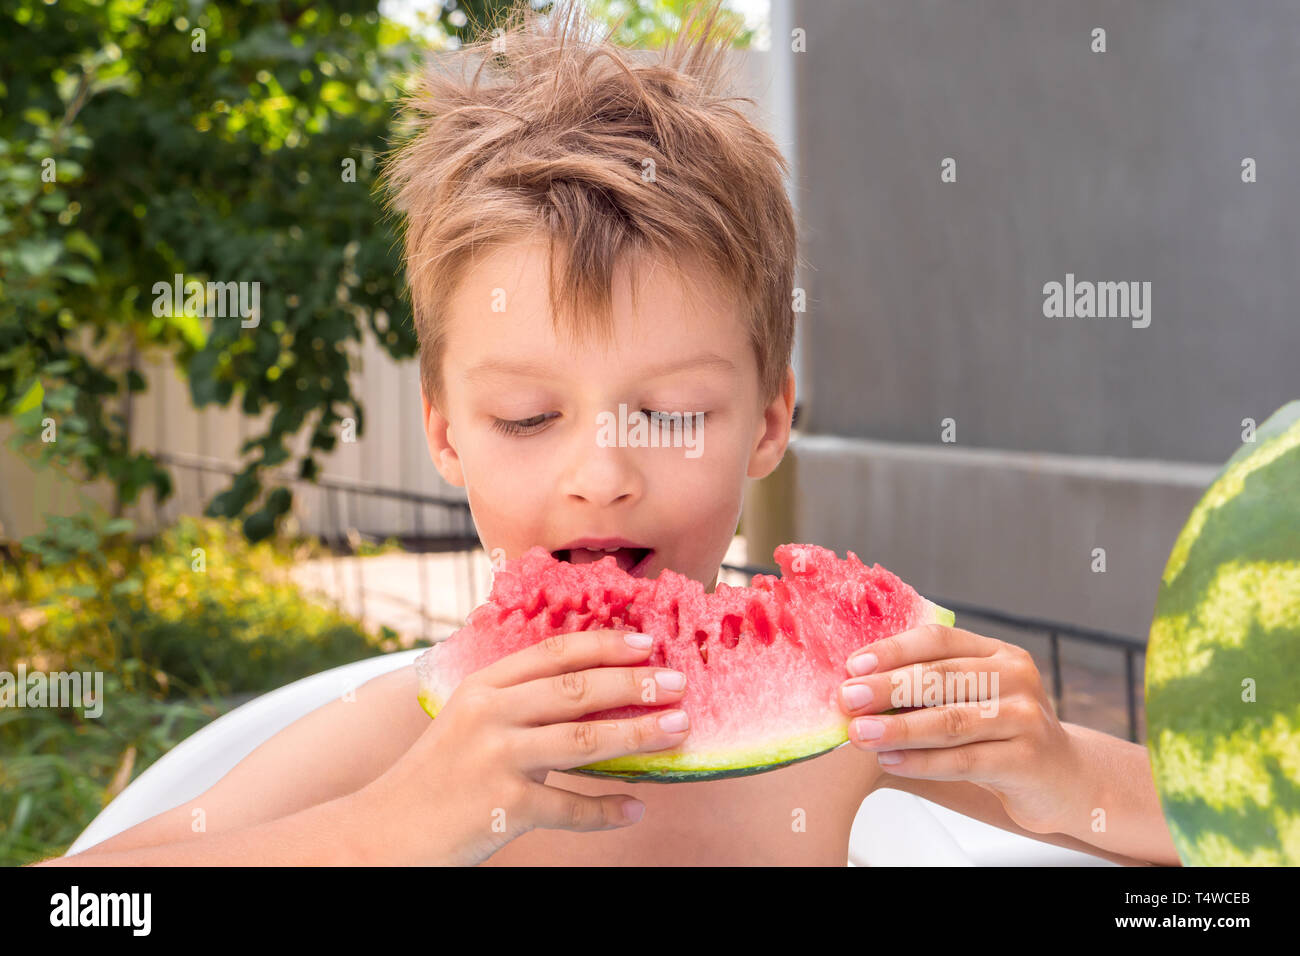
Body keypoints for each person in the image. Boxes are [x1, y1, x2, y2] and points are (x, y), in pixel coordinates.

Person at [42, 0, 1178, 866]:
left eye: (674, 410)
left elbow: (1234, 834)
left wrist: (1062, 768)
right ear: (445, 433)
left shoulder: (853, 722)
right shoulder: (396, 736)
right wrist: (394, 818)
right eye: (528, 417)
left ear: (770, 418)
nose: (601, 474)